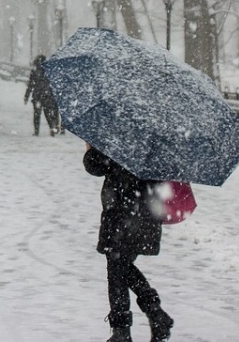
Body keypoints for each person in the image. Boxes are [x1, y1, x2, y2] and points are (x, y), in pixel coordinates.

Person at [83, 146, 173, 342]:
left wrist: (91, 151)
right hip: (146, 207)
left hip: (123, 211)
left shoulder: (118, 133)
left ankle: (124, 331)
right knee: (120, 266)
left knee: (117, 266)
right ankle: (154, 317)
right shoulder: (155, 138)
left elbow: (96, 166)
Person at [24, 54, 61, 136]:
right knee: (47, 113)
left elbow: (30, 85)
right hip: (46, 95)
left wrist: (26, 96)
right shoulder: (48, 70)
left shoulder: (34, 71)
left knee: (37, 114)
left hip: (37, 95)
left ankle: (36, 131)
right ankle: (52, 128)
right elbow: (52, 83)